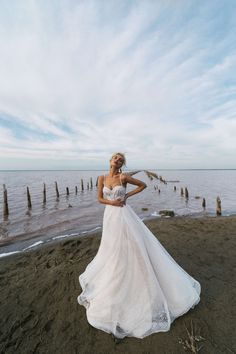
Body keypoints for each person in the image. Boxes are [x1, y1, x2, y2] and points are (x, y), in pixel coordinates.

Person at [77, 152, 201, 339]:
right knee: (112, 249)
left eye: (120, 160)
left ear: (122, 164)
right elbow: (100, 199)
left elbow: (143, 185)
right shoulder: (101, 178)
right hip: (110, 216)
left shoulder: (123, 177)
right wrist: (111, 201)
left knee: (133, 246)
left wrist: (126, 196)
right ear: (110, 160)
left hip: (124, 215)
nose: (117, 161)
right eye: (115, 158)